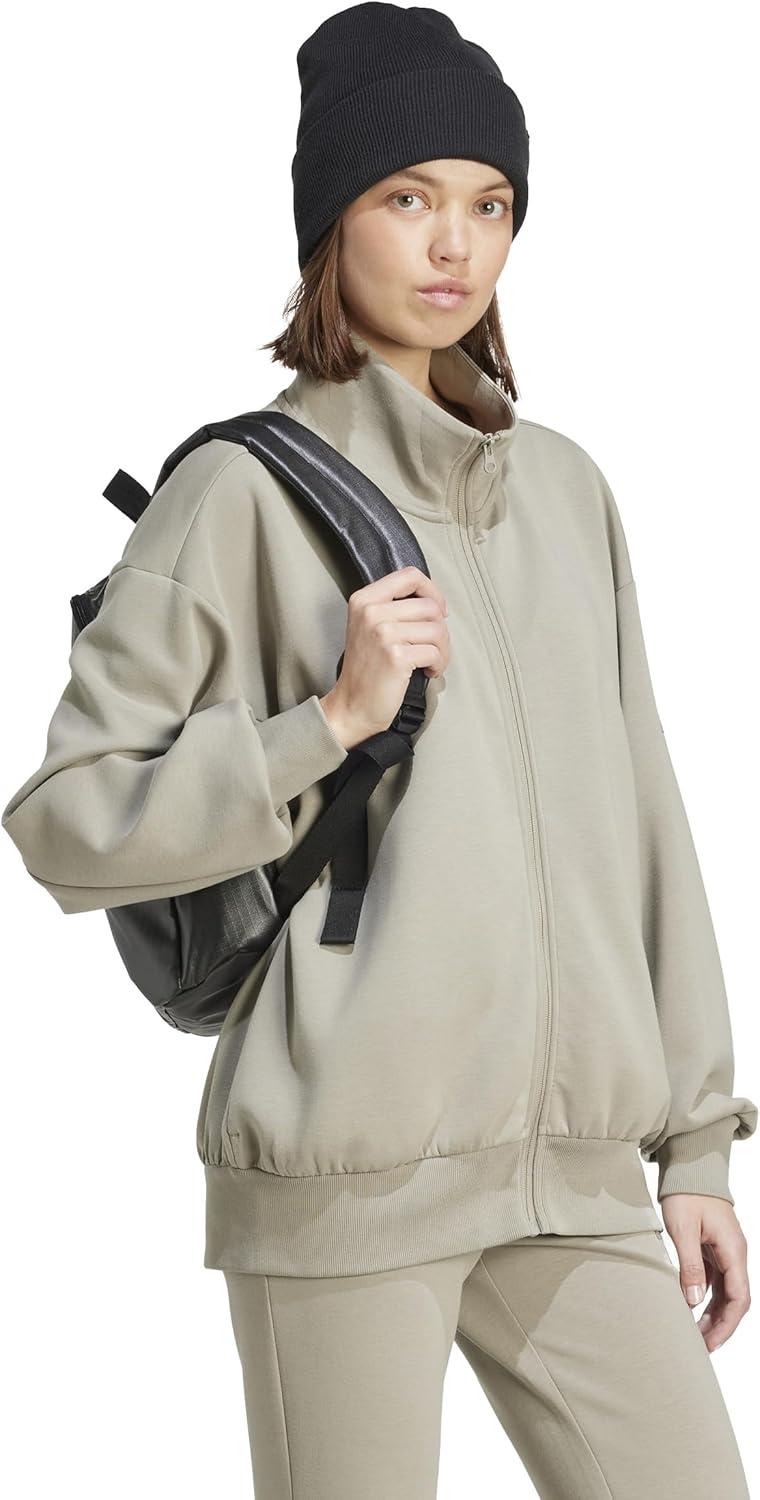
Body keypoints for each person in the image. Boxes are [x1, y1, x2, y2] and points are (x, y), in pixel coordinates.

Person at [2, 4, 756, 1496]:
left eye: (490, 203)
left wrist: (697, 1148)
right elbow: (66, 822)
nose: (454, 245)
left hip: (570, 1181)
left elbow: (647, 824)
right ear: (330, 223)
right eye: (407, 197)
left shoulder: (566, 491)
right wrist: (327, 723)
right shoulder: (237, 493)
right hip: (346, 1180)